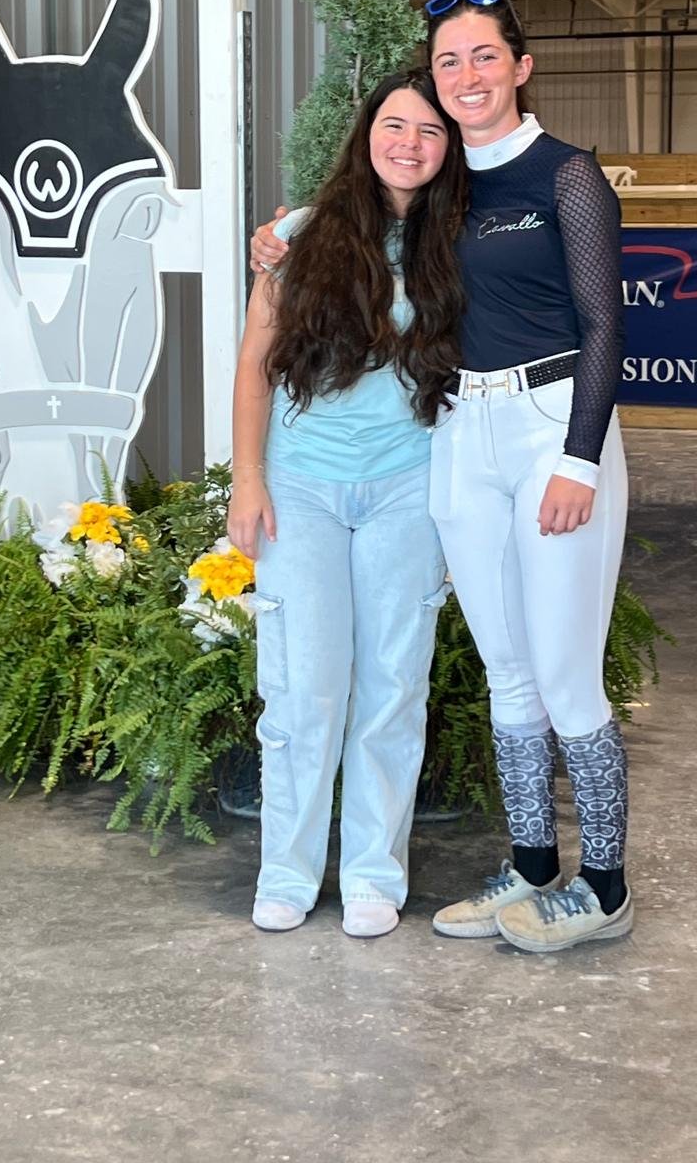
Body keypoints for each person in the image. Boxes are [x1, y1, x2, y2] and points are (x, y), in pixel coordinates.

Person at [253, 0, 631, 953]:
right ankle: (534, 866)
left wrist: (579, 458)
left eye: (482, 59)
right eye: (448, 63)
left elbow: (604, 327)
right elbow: (314, 286)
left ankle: (605, 883)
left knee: (559, 670)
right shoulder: (446, 195)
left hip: (550, 431)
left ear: (520, 67)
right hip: (463, 433)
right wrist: (278, 238)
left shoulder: (567, 177)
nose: (465, 80)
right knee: (507, 671)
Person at [228, 69, 464, 939]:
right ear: (367, 134)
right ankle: (287, 872)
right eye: (395, 124)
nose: (410, 142)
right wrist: (246, 479)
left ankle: (372, 871)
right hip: (303, 490)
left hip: (411, 488)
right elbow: (256, 366)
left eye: (430, 132)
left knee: (394, 687)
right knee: (302, 689)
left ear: (449, 152)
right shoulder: (296, 236)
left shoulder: (458, 245)